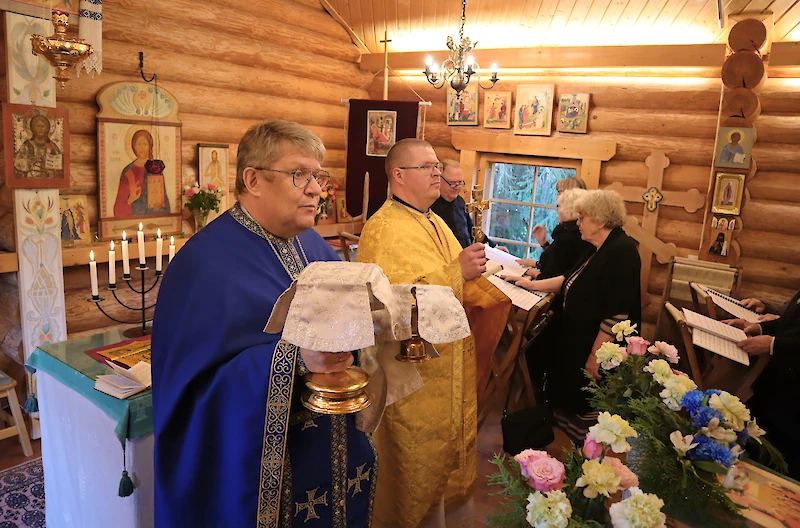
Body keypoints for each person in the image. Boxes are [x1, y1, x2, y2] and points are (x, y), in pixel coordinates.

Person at [151, 120, 376, 527]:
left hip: (329, 449)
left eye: (317, 176)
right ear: (253, 180)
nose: (315, 189)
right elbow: (190, 391)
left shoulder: (312, 245)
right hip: (256, 472)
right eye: (299, 175)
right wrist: (294, 357)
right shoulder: (203, 264)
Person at [357, 138, 487, 528]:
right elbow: (386, 306)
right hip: (413, 379)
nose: (438, 172)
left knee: (445, 474)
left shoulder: (433, 220)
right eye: (427, 166)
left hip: (446, 374)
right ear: (398, 175)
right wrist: (456, 273)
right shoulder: (381, 229)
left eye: (436, 166)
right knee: (414, 473)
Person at [502, 190, 641, 442]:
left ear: (600, 221)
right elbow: (569, 280)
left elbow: (617, 313)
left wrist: (594, 356)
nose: (577, 223)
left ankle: (583, 459)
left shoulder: (622, 252)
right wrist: (530, 284)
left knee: (586, 409)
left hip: (596, 345)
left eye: (583, 217)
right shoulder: (598, 247)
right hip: (578, 338)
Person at [725, 289, 800, 478]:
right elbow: (791, 324)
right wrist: (759, 328)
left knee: (781, 469)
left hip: (792, 409)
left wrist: (773, 344)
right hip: (774, 393)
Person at [519, 188, 594, 280]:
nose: (557, 210)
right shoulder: (580, 233)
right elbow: (560, 261)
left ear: (567, 209)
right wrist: (544, 243)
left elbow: (552, 276)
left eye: (558, 206)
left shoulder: (567, 235)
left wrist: (533, 273)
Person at [517, 176, 587, 269]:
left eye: (560, 192)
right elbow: (558, 260)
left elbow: (558, 270)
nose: (556, 197)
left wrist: (533, 273)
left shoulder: (571, 231)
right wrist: (544, 243)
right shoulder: (568, 229)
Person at [430, 159, 498, 249]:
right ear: (439, 180)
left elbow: (472, 230)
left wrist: (494, 247)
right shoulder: (429, 206)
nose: (457, 188)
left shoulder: (460, 201)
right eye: (453, 183)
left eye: (460, 183)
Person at [113, 130, 170, 217]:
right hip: (136, 217)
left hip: (154, 217)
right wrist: (130, 200)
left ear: (149, 146)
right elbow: (118, 206)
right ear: (133, 147)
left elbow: (163, 197)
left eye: (144, 144)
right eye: (138, 144)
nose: (141, 148)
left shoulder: (156, 168)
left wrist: (160, 205)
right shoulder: (129, 171)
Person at [13, 114, 63, 179]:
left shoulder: (52, 146)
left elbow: (59, 167)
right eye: (38, 126)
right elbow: (18, 166)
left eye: (43, 126)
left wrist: (49, 168)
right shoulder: (27, 146)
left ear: (47, 128)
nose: (40, 129)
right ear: (32, 128)